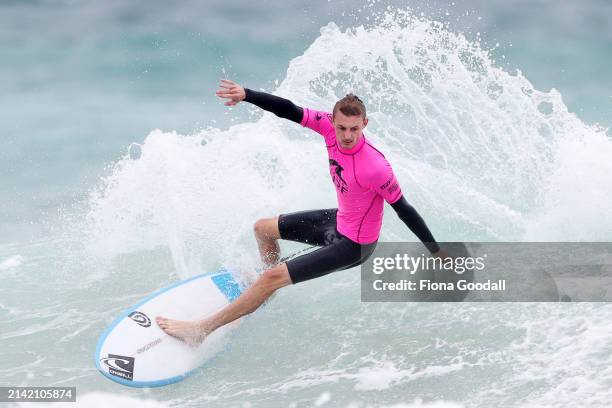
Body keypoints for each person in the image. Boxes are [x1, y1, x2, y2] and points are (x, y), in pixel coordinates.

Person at [156, 79, 445, 345]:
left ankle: (201, 330)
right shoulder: (327, 127)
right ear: (333, 121)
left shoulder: (376, 167)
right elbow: (288, 110)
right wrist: (247, 95)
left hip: (355, 245)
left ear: (364, 124)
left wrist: (435, 251)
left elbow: (404, 209)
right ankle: (265, 290)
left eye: (354, 129)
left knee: (270, 279)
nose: (346, 135)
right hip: (340, 221)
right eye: (342, 127)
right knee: (262, 229)